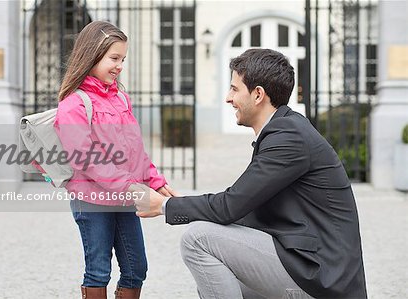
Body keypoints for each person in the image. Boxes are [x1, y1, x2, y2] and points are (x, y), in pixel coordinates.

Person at [136, 48, 367, 298]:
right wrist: (188, 206)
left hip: (322, 277)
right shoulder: (284, 129)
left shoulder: (288, 138)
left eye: (235, 89)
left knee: (198, 239)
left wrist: (167, 206)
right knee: (215, 277)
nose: (227, 97)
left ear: (258, 95)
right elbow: (242, 209)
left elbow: (231, 206)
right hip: (310, 264)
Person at [55, 21, 176, 299]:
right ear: (92, 54)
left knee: (136, 268)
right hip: (92, 201)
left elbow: (135, 150)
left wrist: (155, 181)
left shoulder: (121, 98)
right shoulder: (73, 103)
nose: (120, 65)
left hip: (124, 198)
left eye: (122, 59)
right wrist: (129, 187)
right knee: (98, 270)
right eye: (114, 58)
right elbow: (85, 158)